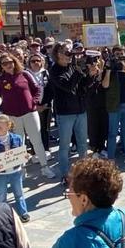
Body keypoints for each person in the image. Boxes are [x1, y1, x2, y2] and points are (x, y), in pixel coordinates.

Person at [0, 54, 55, 176]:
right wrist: (3, 108)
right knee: (18, 143)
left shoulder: (25, 74)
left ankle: (44, 167)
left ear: (14, 61)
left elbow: (37, 89)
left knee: (37, 141)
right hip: (12, 117)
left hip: (30, 113)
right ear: (1, 66)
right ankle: (21, 170)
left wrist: (35, 102)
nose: (8, 65)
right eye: (4, 63)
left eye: (10, 62)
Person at [45, 44, 92, 181]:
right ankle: (65, 174)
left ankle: (83, 171)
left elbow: (83, 85)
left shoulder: (73, 67)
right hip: (65, 113)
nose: (69, 54)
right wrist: (78, 70)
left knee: (83, 143)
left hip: (80, 110)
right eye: (66, 52)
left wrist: (91, 74)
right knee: (64, 145)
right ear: (58, 54)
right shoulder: (54, 70)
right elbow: (68, 86)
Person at [101, 45, 125, 164]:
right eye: (117, 54)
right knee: (112, 132)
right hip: (114, 105)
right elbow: (105, 85)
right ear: (113, 55)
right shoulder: (110, 68)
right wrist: (108, 70)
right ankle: (111, 158)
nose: (119, 56)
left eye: (121, 53)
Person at [0, 115, 30, 221]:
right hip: (1, 174)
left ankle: (23, 213)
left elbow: (21, 153)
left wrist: (26, 156)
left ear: (8, 126)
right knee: (0, 195)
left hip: (16, 171)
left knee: (19, 193)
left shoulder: (17, 138)